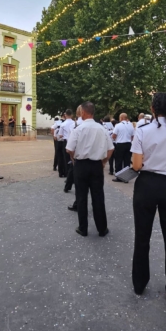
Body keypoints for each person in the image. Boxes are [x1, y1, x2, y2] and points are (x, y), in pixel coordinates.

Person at [131, 92, 166, 304]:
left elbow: (136, 165)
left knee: (142, 237)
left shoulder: (143, 131)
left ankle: (139, 283)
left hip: (147, 184)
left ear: (152, 109)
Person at [66, 101, 114, 237]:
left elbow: (69, 149)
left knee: (81, 197)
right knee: (98, 197)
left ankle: (83, 228)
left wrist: (75, 158)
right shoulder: (102, 128)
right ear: (93, 112)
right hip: (96, 165)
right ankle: (102, 228)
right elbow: (111, 148)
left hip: (81, 165)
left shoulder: (78, 129)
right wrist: (104, 162)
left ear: (83, 112)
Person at [112, 113, 134, 182]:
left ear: (121, 118)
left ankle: (119, 177)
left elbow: (114, 135)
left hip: (120, 144)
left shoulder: (118, 125)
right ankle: (126, 178)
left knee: (119, 161)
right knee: (127, 161)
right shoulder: (131, 125)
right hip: (128, 144)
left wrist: (116, 140)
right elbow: (132, 136)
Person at [59, 109, 76, 193]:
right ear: (72, 115)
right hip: (74, 143)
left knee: (67, 160)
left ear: (65, 115)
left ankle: (68, 176)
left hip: (66, 142)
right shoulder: (74, 123)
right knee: (73, 160)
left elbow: (60, 135)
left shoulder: (63, 124)